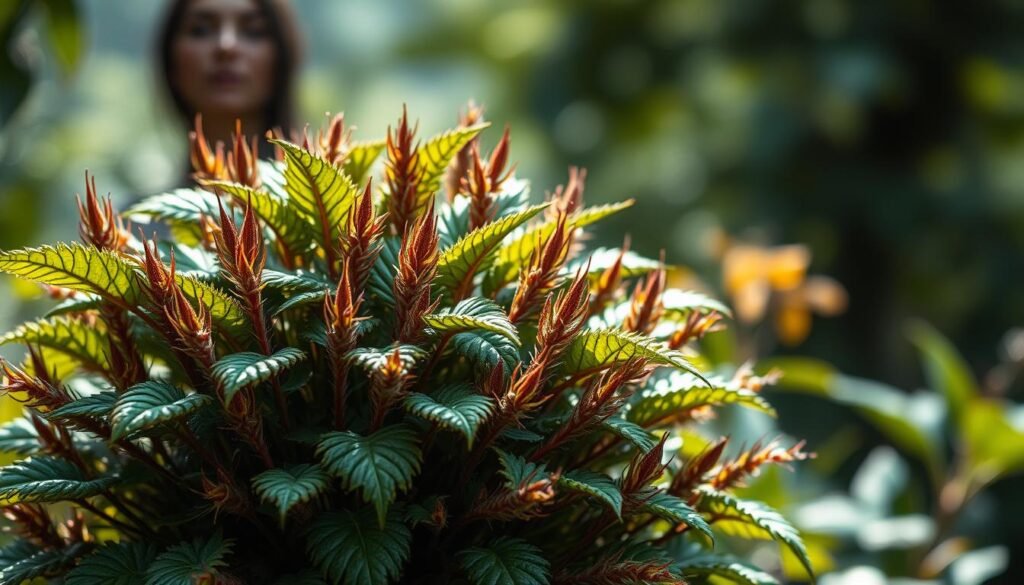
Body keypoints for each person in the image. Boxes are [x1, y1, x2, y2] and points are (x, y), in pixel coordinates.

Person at [156, 0, 302, 161]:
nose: (226, 46)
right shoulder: (150, 180)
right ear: (170, 59)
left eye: (254, 31)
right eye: (201, 30)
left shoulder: (323, 182)